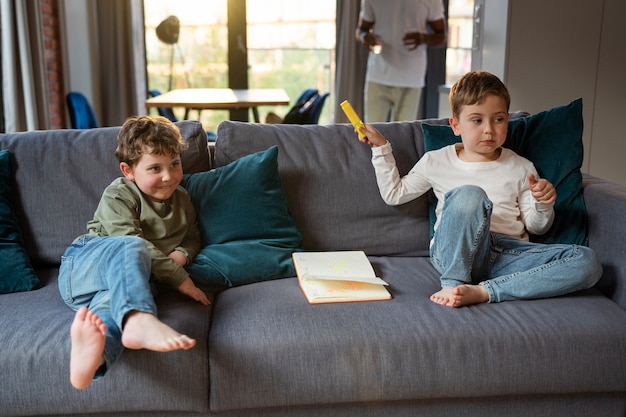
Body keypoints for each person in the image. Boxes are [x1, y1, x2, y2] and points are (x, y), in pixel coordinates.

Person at [357, 70, 602, 307]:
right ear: (455, 125)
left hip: (507, 255)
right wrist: (381, 149)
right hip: (454, 252)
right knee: (469, 194)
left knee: (587, 262)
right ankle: (453, 283)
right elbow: (395, 194)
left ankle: (486, 291)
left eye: (498, 119)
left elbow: (536, 226)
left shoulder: (521, 166)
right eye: (477, 120)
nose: (489, 129)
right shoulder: (436, 160)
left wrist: (543, 203)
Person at [58, 115, 210, 390]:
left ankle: (93, 360)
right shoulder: (120, 193)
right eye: (155, 168)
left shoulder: (183, 199)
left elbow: (192, 238)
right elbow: (126, 239)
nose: (168, 176)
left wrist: (182, 255)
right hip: (85, 265)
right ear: (128, 170)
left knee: (108, 311)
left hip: (128, 284)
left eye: (174, 164)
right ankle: (140, 318)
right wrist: (179, 277)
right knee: (132, 245)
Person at [355, 0, 447, 123]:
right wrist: (364, 37)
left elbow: (442, 36)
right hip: (378, 76)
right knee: (372, 133)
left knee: (403, 137)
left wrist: (423, 38)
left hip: (411, 79)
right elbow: (361, 30)